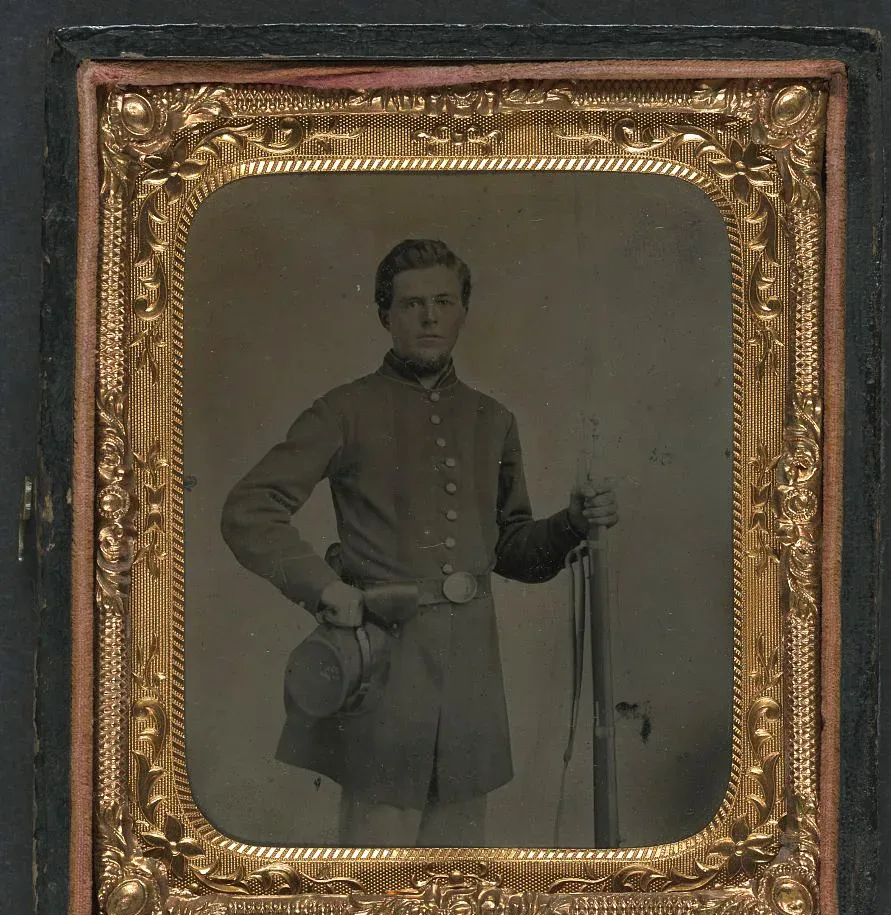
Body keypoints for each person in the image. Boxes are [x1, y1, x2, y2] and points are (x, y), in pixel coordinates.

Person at [221, 239, 618, 847]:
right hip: (383, 677)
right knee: (375, 879)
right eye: (411, 305)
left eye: (443, 302)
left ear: (463, 312)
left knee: (461, 878)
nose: (429, 317)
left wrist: (572, 523)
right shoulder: (343, 410)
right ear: (385, 314)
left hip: (469, 689)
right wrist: (322, 588)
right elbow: (249, 509)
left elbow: (512, 550)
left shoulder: (493, 420)